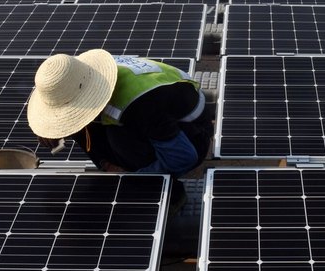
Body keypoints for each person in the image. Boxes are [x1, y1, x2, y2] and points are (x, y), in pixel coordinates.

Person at [27, 49, 213, 182]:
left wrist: (132, 180)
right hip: (159, 113)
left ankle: (162, 187)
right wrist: (58, 127)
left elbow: (183, 157)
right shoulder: (84, 76)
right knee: (86, 128)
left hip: (193, 134)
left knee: (118, 141)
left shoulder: (138, 105)